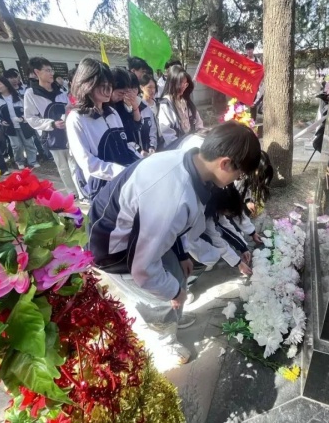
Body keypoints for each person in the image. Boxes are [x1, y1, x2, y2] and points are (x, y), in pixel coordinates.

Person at [88, 122, 261, 365]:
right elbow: (142, 268)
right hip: (115, 250)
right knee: (158, 298)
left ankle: (172, 318)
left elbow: (173, 227)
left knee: (177, 276)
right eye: (238, 174)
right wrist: (173, 292)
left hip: (140, 238)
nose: (236, 180)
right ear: (224, 163)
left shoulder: (189, 163)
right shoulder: (172, 195)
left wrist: (180, 253)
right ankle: (164, 340)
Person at [66, 58, 140, 201]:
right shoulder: (77, 118)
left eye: (110, 85)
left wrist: (141, 161)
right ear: (87, 85)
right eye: (102, 86)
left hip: (124, 181)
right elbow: (88, 163)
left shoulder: (112, 113)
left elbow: (125, 146)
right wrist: (122, 171)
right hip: (101, 188)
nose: (108, 90)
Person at [24, 56, 80, 197]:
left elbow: (67, 108)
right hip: (52, 135)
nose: (51, 73)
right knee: (63, 166)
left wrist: (70, 110)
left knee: (75, 163)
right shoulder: (31, 94)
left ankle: (81, 191)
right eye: (47, 70)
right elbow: (30, 118)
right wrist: (51, 124)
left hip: (68, 132)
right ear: (37, 72)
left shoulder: (60, 91)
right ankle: (72, 192)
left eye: (52, 70)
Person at [0, 76, 39, 170]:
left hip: (22, 123)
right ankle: (19, 161)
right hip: (9, 126)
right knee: (17, 145)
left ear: (6, 84)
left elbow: (27, 108)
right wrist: (1, 121)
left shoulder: (17, 95)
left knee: (29, 143)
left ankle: (32, 161)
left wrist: (22, 118)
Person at [157, 65, 204, 149]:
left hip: (191, 144)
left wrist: (200, 136)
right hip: (176, 148)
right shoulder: (166, 104)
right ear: (172, 82)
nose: (183, 87)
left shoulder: (187, 102)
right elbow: (167, 133)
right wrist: (183, 146)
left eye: (185, 84)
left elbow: (198, 124)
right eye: (180, 83)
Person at [110, 68, 144, 154]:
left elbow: (136, 126)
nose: (123, 96)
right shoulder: (106, 108)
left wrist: (135, 107)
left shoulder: (121, 105)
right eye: (120, 93)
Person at [138, 74, 159, 154]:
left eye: (154, 87)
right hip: (146, 148)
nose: (152, 90)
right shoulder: (139, 107)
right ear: (141, 87)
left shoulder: (159, 104)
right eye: (149, 87)